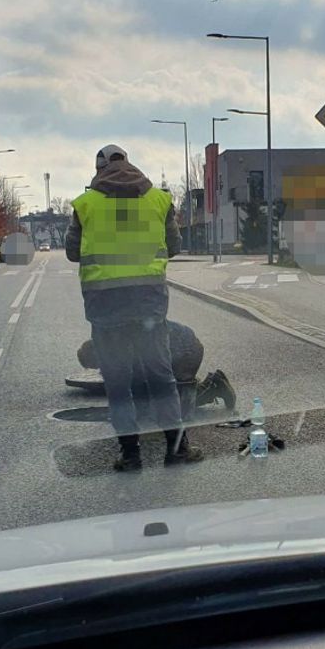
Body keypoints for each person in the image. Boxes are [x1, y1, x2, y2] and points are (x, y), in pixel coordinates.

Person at [66, 144, 203, 471]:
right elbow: (173, 247)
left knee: (117, 382)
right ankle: (176, 449)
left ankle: (130, 455)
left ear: (99, 169)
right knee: (161, 377)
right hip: (148, 306)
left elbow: (73, 252)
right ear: (129, 163)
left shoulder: (86, 204)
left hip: (105, 307)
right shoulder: (158, 200)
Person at [76, 321, 238, 416]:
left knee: (176, 410)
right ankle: (207, 385)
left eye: (96, 365)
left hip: (186, 350)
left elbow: (141, 378)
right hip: (178, 347)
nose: (99, 369)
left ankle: (214, 387)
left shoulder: (121, 350)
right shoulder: (114, 340)